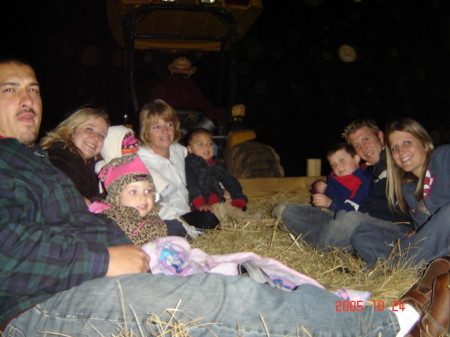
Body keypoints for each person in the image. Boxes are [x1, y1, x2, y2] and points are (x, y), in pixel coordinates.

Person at [0, 58, 448, 337]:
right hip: (39, 303)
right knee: (216, 300)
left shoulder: (34, 162)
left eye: (34, 88)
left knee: (262, 276)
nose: (28, 99)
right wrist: (103, 258)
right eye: (10, 89)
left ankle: (380, 304)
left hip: (99, 265)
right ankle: (388, 326)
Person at [275, 118, 412, 249]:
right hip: (357, 221)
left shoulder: (397, 161)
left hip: (392, 227)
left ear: (380, 137)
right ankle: (332, 243)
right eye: (357, 145)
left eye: (366, 139)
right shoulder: (368, 170)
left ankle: (319, 247)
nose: (363, 148)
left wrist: (335, 206)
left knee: (347, 218)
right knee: (292, 212)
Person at [350, 118, 450, 268]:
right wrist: (418, 234)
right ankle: (408, 266)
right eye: (395, 148)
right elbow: (427, 232)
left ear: (424, 143)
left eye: (407, 143)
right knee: (362, 234)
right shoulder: (408, 190)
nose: (401, 152)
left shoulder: (443, 157)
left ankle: (391, 267)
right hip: (435, 250)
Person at [137, 99, 219, 234]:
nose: (165, 131)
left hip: (187, 212)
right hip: (163, 218)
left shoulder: (181, 151)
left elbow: (204, 169)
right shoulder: (140, 160)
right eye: (156, 127)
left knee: (210, 218)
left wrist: (220, 188)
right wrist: (186, 228)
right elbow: (157, 205)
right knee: (179, 229)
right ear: (146, 131)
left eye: (169, 125)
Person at [89, 154, 169, 246]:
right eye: (133, 192)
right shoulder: (110, 222)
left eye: (148, 191)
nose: (143, 197)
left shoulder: (154, 218)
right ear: (116, 196)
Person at [185, 128, 261, 222]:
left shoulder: (218, 166)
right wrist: (200, 203)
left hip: (219, 203)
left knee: (228, 207)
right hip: (201, 207)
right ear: (190, 149)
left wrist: (238, 200)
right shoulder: (190, 164)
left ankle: (247, 219)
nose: (206, 147)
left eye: (210, 143)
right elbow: (192, 185)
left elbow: (232, 183)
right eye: (200, 144)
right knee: (220, 209)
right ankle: (232, 222)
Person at [39, 105, 109, 204]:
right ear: (72, 130)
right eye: (89, 129)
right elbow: (63, 197)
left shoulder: (94, 167)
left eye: (102, 136)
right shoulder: (57, 156)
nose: (96, 137)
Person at [95, 125, 173, 198]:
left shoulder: (135, 164)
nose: (132, 156)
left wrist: (162, 185)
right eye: (128, 153)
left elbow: (149, 171)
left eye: (133, 152)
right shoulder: (105, 166)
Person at [149, 56, 225, 121]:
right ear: (189, 74)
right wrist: (226, 113)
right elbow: (207, 110)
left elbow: (151, 111)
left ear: (171, 72)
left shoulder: (159, 87)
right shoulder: (191, 87)